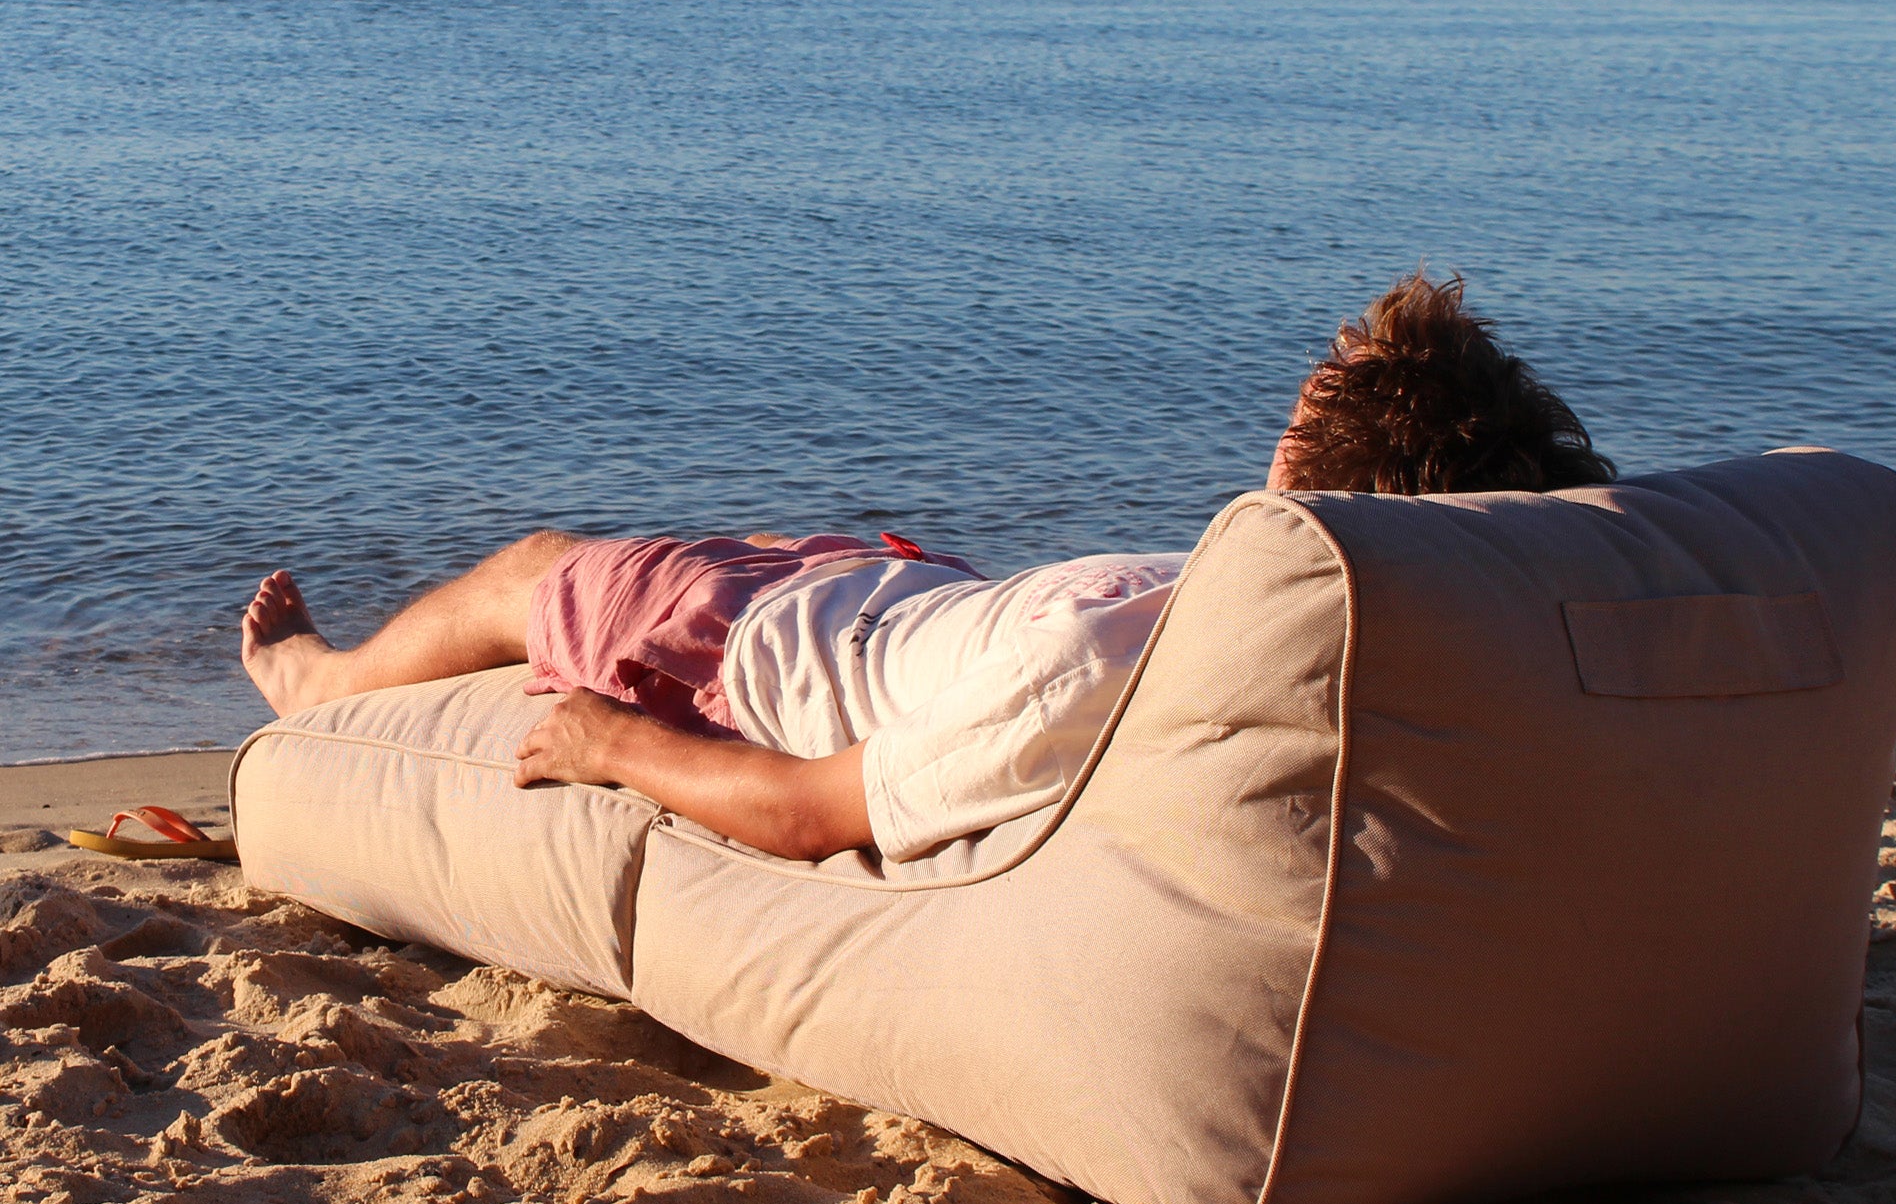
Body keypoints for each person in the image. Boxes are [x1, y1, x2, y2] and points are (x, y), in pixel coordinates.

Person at [240, 271, 1613, 865]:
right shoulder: (1402, 659)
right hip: (905, 591)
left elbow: (807, 813)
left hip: (744, 644)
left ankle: (317, 682)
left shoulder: (1104, 670)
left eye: (1298, 417)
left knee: (533, 570)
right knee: (763, 540)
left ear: (1306, 469)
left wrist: (612, 744)